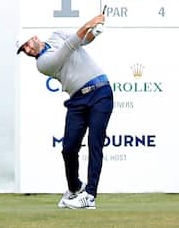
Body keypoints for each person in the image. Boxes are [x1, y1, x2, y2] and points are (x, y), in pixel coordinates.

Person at [16, 12, 111, 210]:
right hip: (77, 100)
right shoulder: (43, 64)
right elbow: (69, 48)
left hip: (101, 91)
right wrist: (88, 24)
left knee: (95, 144)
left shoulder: (57, 34)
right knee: (68, 148)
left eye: (26, 44)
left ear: (34, 37)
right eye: (23, 49)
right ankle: (75, 187)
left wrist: (95, 30)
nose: (27, 49)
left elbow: (84, 40)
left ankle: (90, 195)